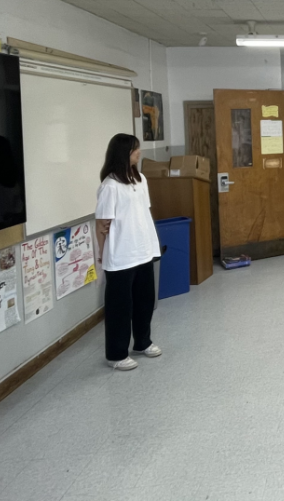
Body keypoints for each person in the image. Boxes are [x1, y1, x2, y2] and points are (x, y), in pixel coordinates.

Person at [95, 134, 162, 371]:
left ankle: (142, 342)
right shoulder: (110, 186)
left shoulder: (140, 179)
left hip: (143, 250)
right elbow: (102, 225)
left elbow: (143, 213)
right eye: (135, 149)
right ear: (124, 153)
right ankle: (116, 354)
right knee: (120, 308)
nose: (139, 153)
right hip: (121, 256)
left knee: (145, 301)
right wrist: (102, 256)